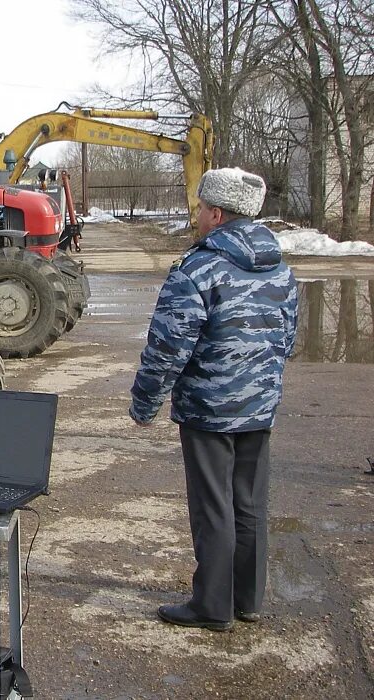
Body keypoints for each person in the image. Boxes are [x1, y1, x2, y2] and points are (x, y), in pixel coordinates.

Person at [129, 167, 298, 631]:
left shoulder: (197, 268)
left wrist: (145, 401)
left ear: (217, 213)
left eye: (202, 207)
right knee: (249, 503)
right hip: (259, 406)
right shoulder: (280, 268)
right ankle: (247, 599)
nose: (198, 214)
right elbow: (287, 337)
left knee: (214, 508)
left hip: (209, 409)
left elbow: (168, 345)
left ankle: (211, 606)